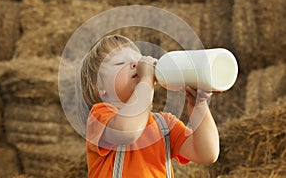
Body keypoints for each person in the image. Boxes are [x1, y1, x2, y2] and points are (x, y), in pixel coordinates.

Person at [80, 34, 219, 177]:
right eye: (120, 63)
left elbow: (207, 154)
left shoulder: (164, 125)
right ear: (99, 87)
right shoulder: (99, 116)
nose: (136, 65)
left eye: (138, 61)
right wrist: (146, 79)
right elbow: (127, 131)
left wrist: (198, 105)